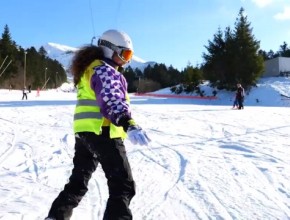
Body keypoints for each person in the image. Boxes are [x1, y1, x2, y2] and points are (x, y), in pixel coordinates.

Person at [45, 29, 150, 220]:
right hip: (104, 132)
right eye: (124, 54)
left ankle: (55, 217)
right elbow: (111, 100)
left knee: (78, 183)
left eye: (130, 56)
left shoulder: (92, 67)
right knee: (123, 185)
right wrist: (129, 124)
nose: (127, 60)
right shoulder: (104, 70)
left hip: (86, 133)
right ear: (109, 49)